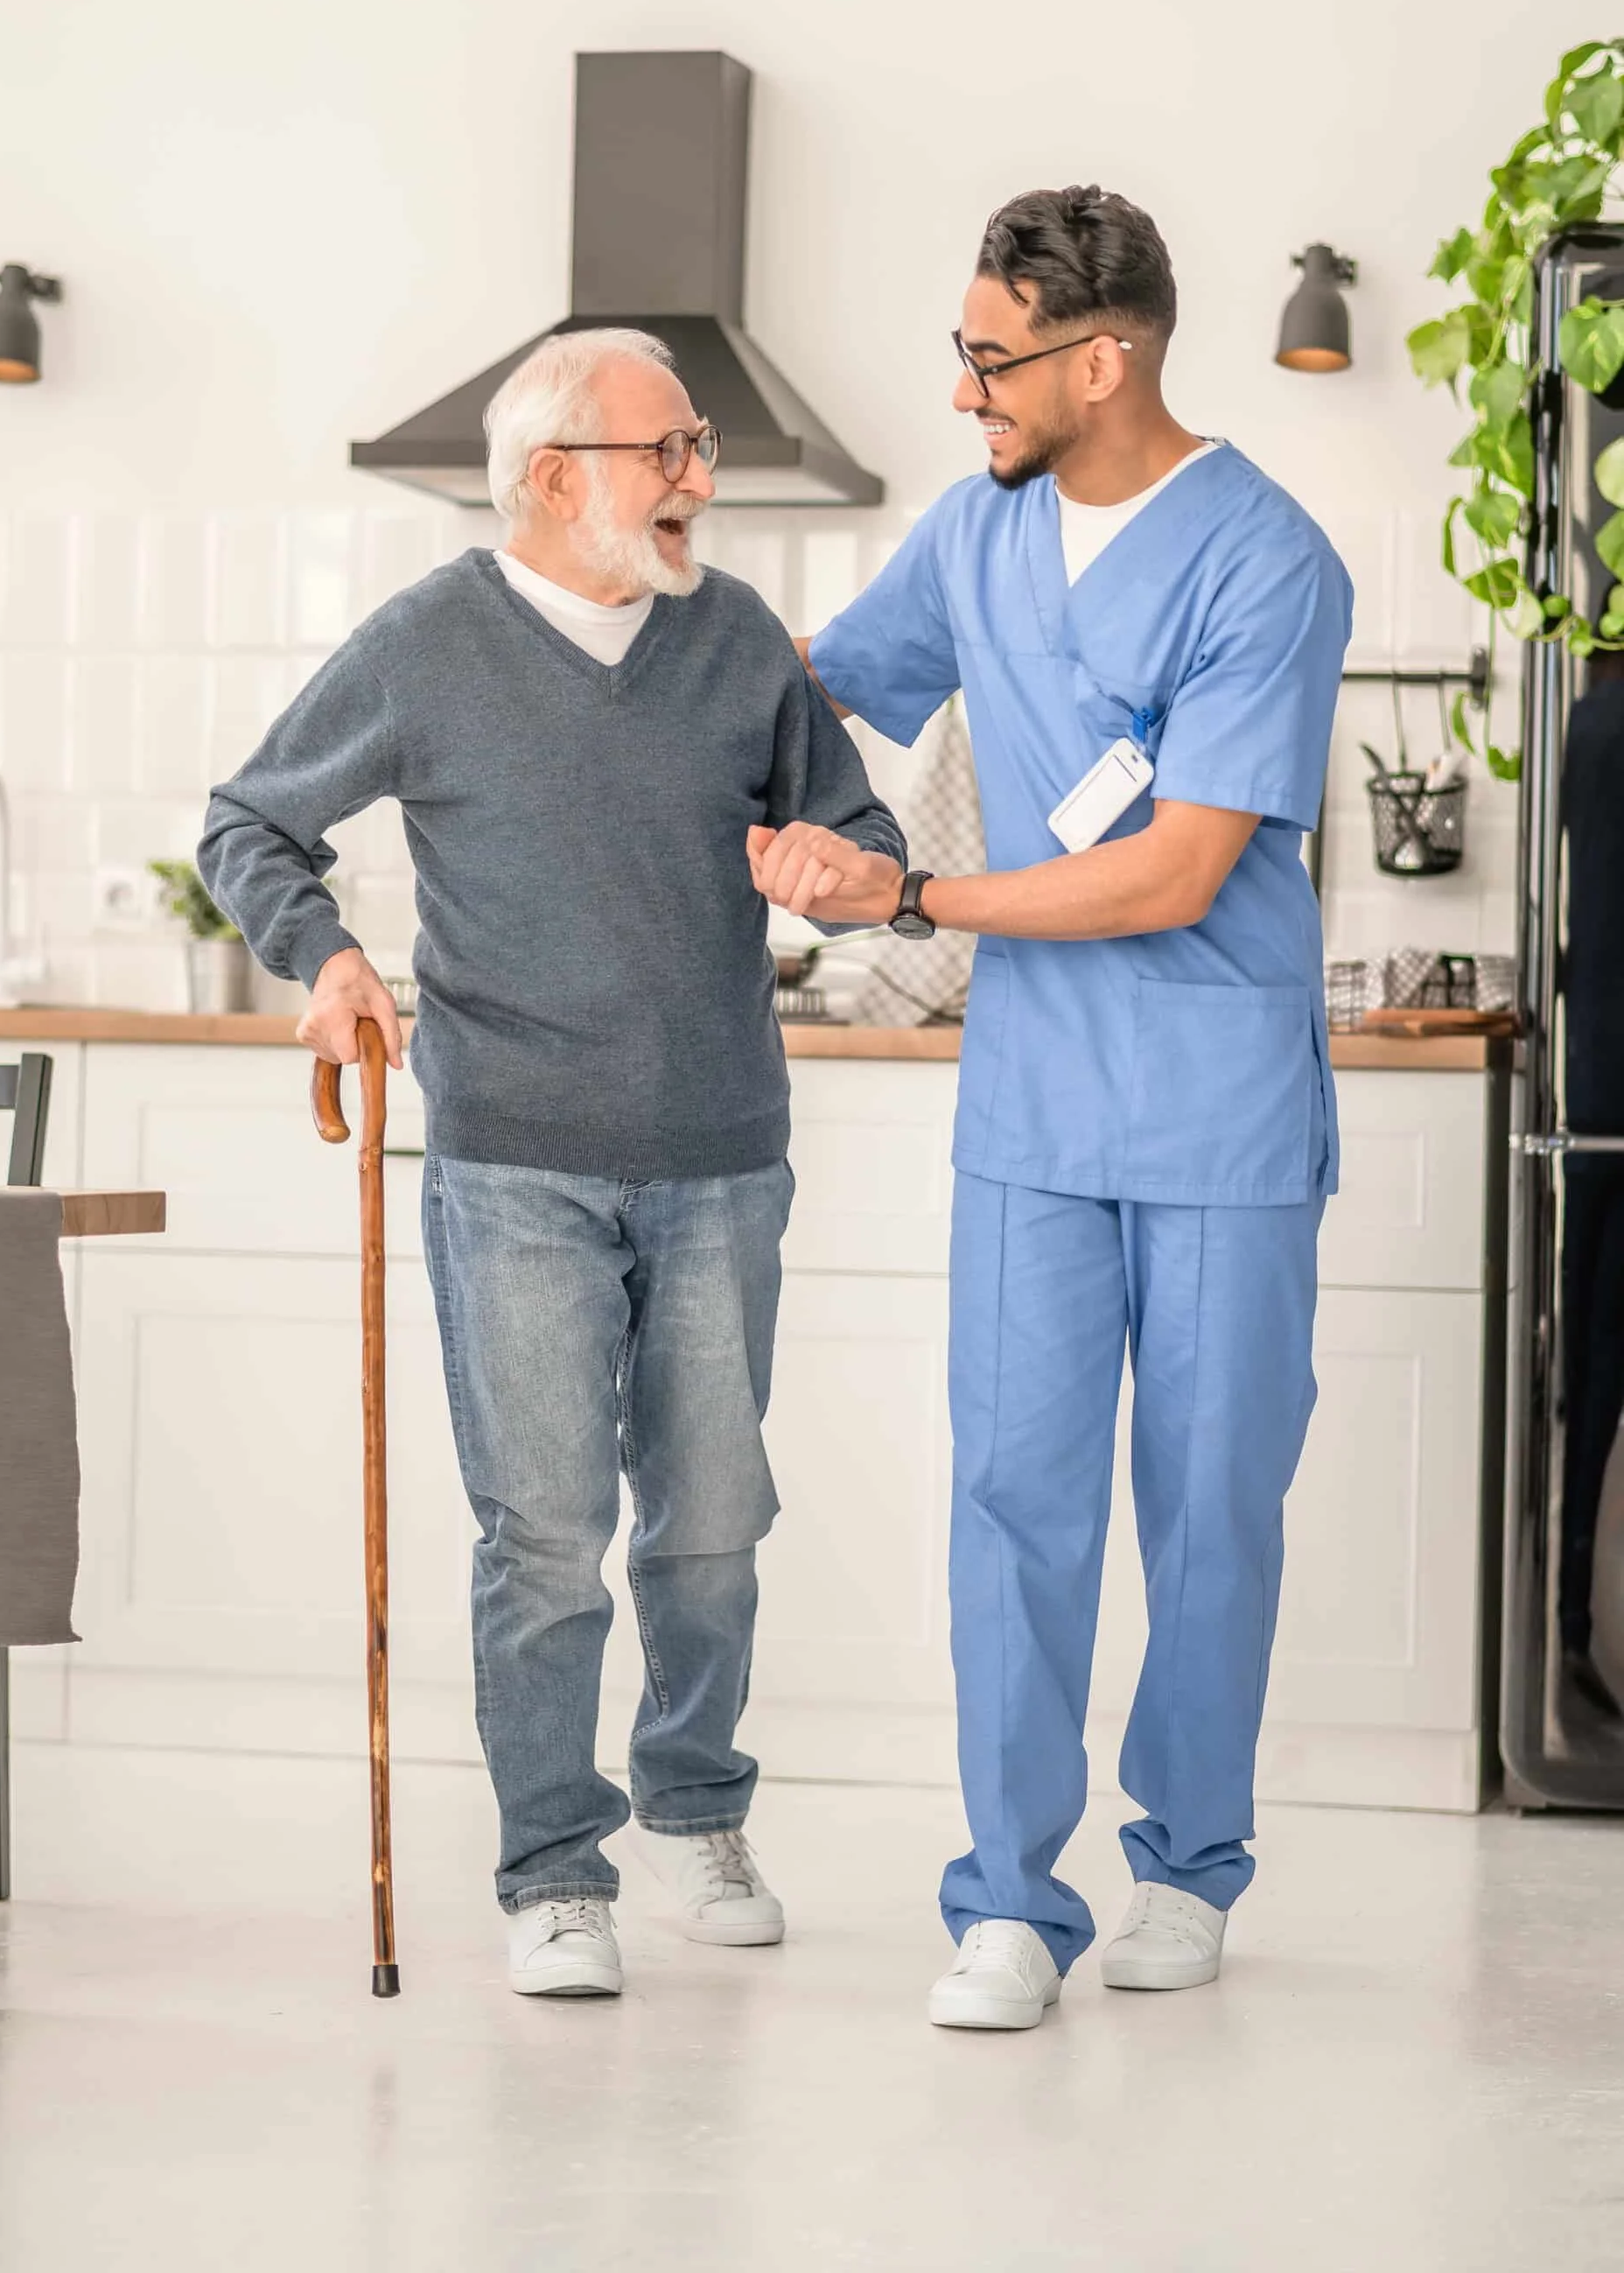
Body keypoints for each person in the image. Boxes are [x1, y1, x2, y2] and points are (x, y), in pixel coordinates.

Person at [200, 328, 904, 2000]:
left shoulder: (735, 641)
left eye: (698, 449)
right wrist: (329, 960)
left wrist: (839, 864)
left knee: (714, 1520)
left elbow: (861, 837)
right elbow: (250, 822)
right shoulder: (430, 643)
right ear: (547, 480)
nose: (695, 482)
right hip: (512, 1159)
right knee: (544, 1534)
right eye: (663, 452)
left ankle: (695, 1806)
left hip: (722, 1152)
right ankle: (551, 1869)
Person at [753, 185, 1350, 2031]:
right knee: (1011, 1497)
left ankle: (1185, 1865)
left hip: (1216, 1102)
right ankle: (1007, 1897)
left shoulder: (1270, 560)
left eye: (986, 359)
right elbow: (812, 695)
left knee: (1207, 1501)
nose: (963, 396)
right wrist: (625, 655)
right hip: (1031, 1107)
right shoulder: (975, 536)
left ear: (1102, 361)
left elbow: (1173, 871)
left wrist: (907, 897)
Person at [1558, 644, 1624, 1726]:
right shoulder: (1609, 723)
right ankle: (1580, 1640)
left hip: (1599, 1090)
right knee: (1601, 1368)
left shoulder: (1593, 718)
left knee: (1595, 1372)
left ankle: (1577, 1634)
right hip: (1608, 1104)